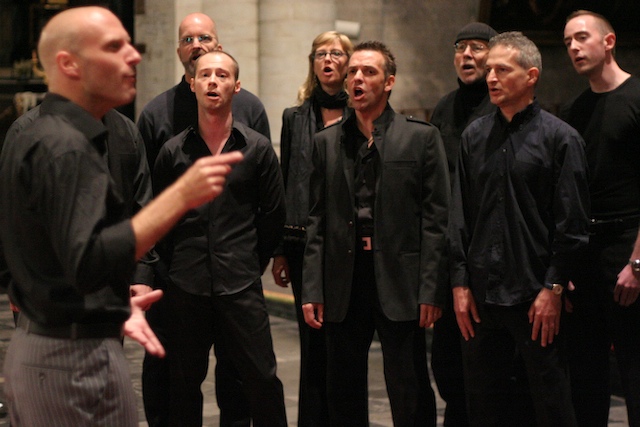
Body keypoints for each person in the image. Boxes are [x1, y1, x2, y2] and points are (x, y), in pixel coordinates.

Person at [0, 6, 242, 426]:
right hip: (60, 351)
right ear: (69, 64)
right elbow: (81, 259)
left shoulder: (115, 132)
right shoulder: (55, 142)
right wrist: (179, 196)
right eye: (114, 47)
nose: (133, 55)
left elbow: (85, 248)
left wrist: (119, 298)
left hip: (97, 338)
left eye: (130, 44)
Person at [302, 40, 449, 426]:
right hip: (345, 277)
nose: (357, 79)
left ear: (389, 82)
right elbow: (316, 221)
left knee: (408, 383)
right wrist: (313, 288)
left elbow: (436, 221)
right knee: (342, 385)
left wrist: (430, 290)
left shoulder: (420, 138)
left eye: (368, 72)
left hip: (400, 277)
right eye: (352, 72)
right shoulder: (326, 143)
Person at [448, 31, 589, 427]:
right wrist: (459, 284)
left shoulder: (561, 138)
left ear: (531, 76)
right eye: (489, 69)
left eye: (502, 70)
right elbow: (460, 216)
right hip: (481, 295)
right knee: (484, 406)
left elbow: (572, 224)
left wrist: (553, 288)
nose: (491, 77)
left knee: (550, 404)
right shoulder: (474, 136)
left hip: (535, 296)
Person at [136, 12, 270, 426]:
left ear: (218, 44)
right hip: (177, 271)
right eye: (188, 39)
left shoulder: (250, 109)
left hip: (236, 270)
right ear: (181, 53)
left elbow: (267, 200)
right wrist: (156, 266)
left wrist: (252, 259)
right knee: (174, 376)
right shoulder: (156, 114)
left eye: (204, 37)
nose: (196, 44)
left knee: (243, 375)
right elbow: (147, 198)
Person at [561, 10, 640, 426]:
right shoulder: (574, 110)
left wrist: (638, 261)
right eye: (567, 42)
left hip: (628, 247)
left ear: (608, 42)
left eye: (581, 37)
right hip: (586, 253)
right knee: (585, 378)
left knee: (635, 371)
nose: (573, 47)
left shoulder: (637, 97)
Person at [271, 30, 353, 427]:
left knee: (345, 342)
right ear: (313, 62)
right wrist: (279, 249)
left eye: (336, 53)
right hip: (302, 241)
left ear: (349, 62)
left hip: (348, 242)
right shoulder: (295, 117)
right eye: (321, 53)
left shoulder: (361, 113)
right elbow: (286, 180)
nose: (328, 60)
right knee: (312, 341)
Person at [429, 22, 496, 427]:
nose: (466, 55)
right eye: (460, 47)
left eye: (476, 47)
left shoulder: (500, 105)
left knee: (486, 362)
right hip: (448, 249)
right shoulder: (444, 107)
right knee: (447, 359)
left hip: (487, 251)